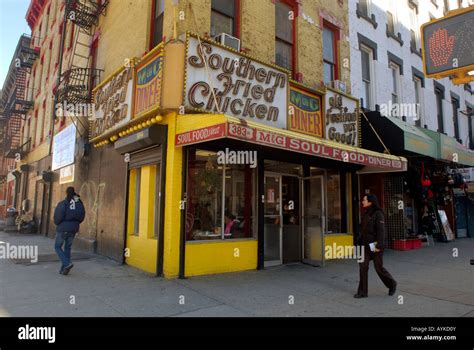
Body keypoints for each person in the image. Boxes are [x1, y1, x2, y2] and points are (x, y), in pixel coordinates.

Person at [354, 194, 397, 298]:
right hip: (364, 245)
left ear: (370, 202)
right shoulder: (365, 213)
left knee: (378, 268)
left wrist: (380, 245)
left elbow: (381, 231)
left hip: (375, 245)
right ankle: (363, 292)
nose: (362, 202)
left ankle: (392, 284)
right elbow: (362, 230)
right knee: (363, 267)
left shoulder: (378, 214)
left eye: (364, 200)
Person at [54, 187, 86, 275]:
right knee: (67, 247)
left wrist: (58, 223)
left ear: (66, 193)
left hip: (63, 228)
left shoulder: (63, 203)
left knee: (57, 247)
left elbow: (58, 217)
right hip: (74, 229)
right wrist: (75, 223)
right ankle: (64, 269)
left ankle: (67, 263)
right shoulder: (79, 203)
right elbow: (82, 215)